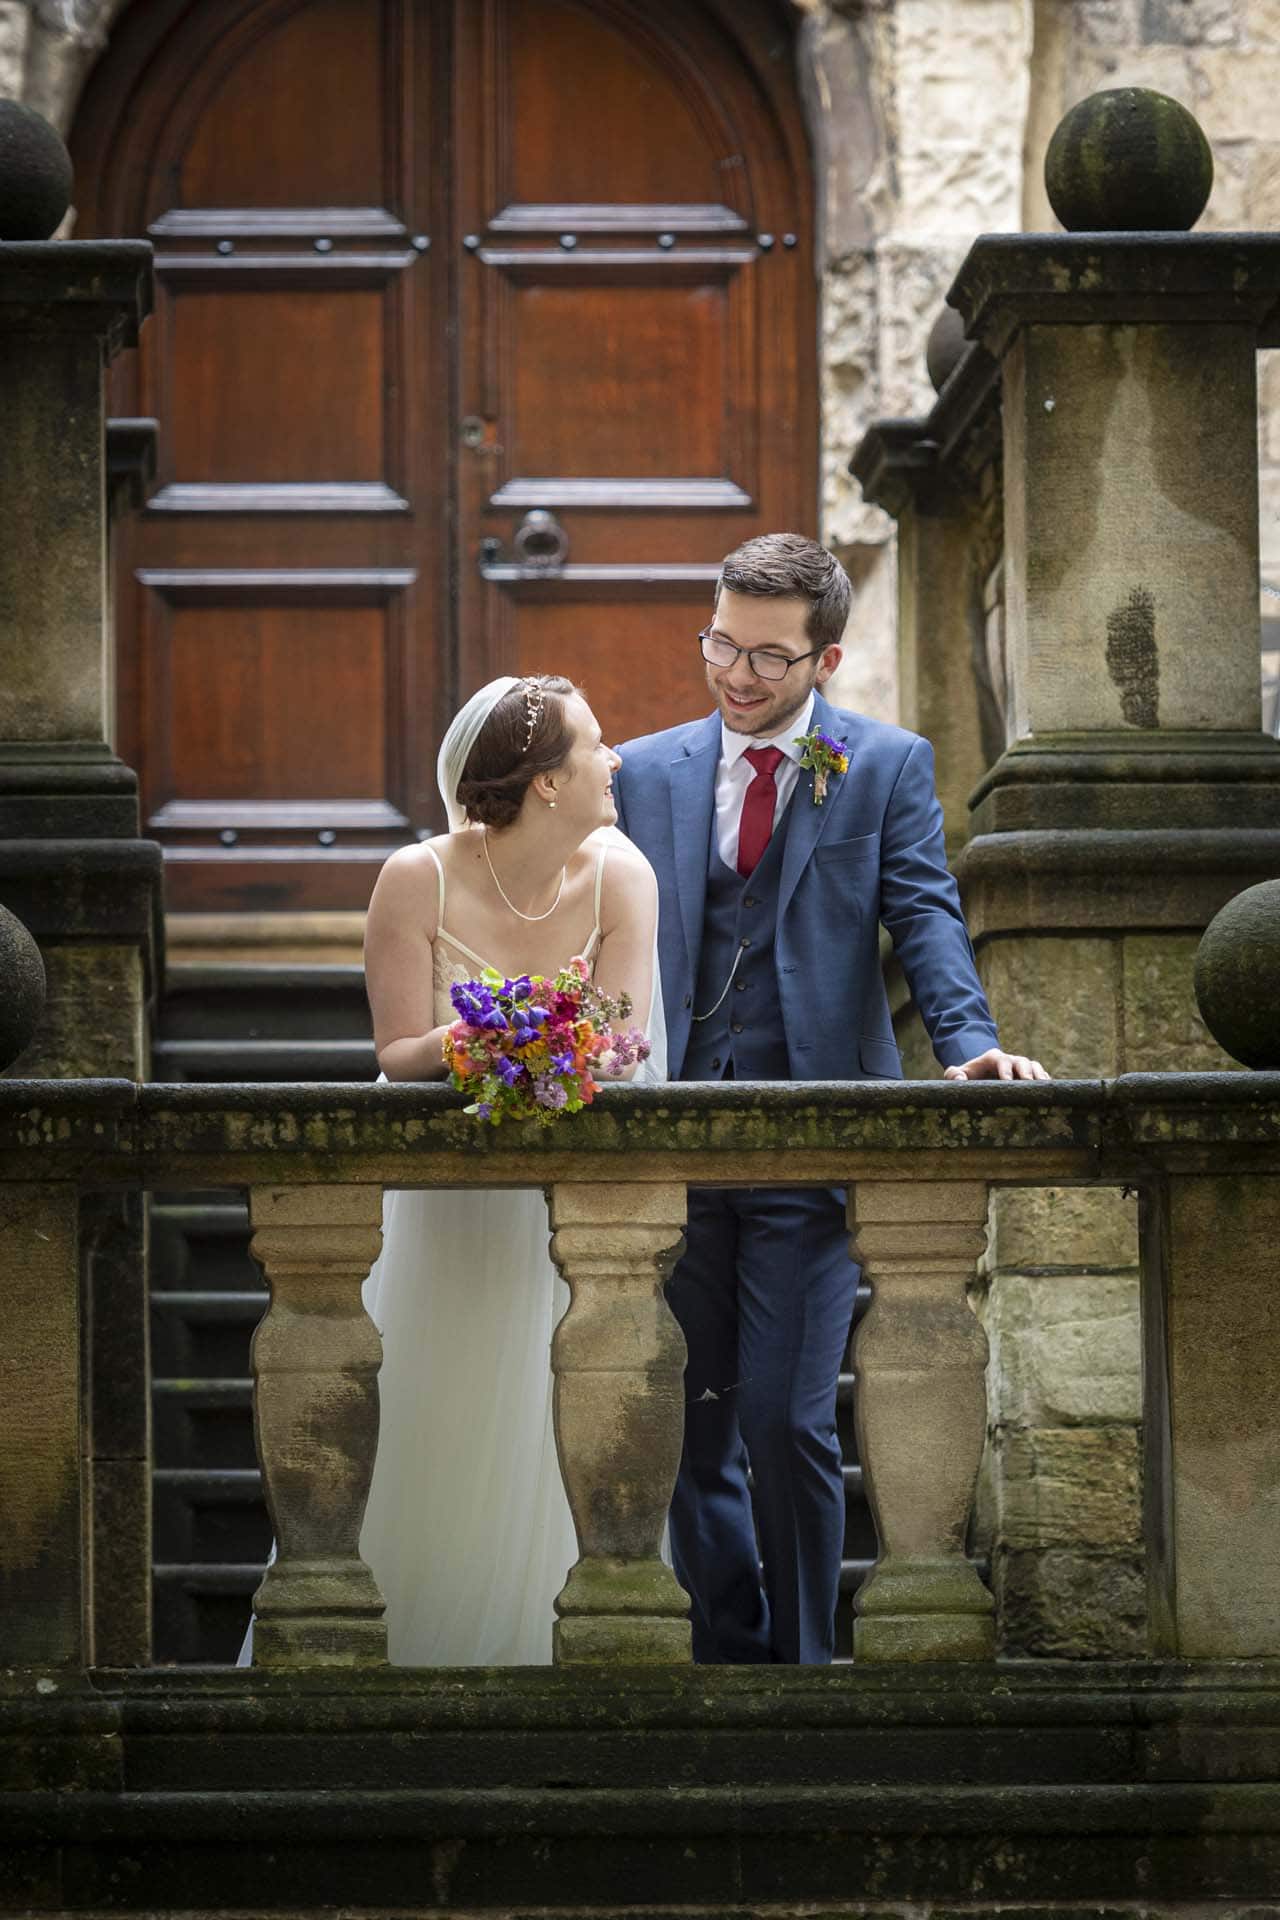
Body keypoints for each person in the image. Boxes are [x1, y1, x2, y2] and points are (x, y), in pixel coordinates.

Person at [612, 533, 1047, 1666]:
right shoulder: (642, 772)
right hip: (668, 1140)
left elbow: (925, 911)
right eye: (721, 644)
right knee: (688, 1425)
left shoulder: (884, 765)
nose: (737, 674)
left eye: (768, 656)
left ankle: (806, 1668)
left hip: (812, 1137)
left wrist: (969, 1045)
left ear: (826, 659)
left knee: (785, 1416)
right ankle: (730, 1653)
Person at [244, 674, 664, 1669]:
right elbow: (397, 1054)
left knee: (548, 1417)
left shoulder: (624, 876)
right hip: (439, 1199)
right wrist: (497, 1034)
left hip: (557, 1211)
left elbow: (619, 1043)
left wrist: (564, 1042)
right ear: (546, 782)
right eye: (595, 745)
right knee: (428, 1416)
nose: (615, 760)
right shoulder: (414, 878)